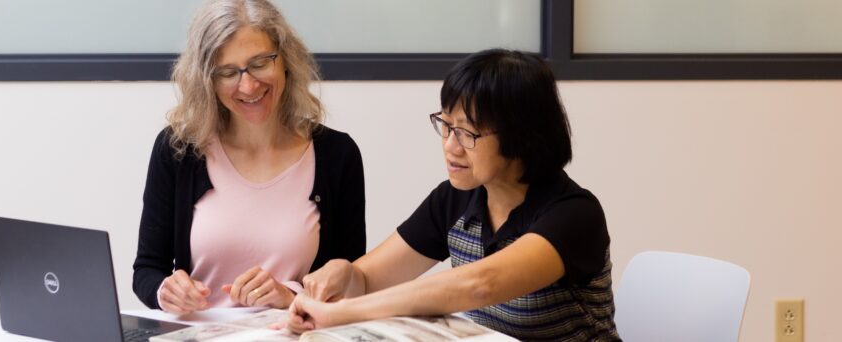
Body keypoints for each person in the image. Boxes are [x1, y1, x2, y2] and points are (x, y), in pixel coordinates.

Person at [287, 49, 620, 341]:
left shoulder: (574, 214)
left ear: (521, 137)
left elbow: (481, 284)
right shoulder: (455, 199)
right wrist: (346, 275)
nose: (450, 146)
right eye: (445, 125)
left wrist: (348, 313)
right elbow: (368, 279)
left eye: (466, 132)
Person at [132, 0, 365, 315]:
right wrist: (165, 291)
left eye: (259, 63)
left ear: (285, 59)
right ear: (207, 81)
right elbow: (147, 270)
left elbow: (351, 281)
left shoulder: (338, 155)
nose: (248, 85)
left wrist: (290, 296)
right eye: (228, 72)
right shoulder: (176, 150)